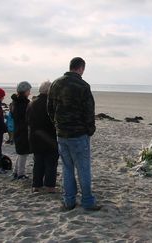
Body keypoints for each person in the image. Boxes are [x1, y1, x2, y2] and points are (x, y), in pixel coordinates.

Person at [48, 57, 101, 211]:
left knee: (67, 168)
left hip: (62, 133)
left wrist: (57, 125)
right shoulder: (82, 86)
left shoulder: (56, 84)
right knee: (83, 168)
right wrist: (90, 129)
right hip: (78, 134)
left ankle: (69, 200)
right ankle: (87, 201)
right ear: (81, 68)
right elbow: (89, 111)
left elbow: (50, 109)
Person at [27, 81, 59, 193]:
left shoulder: (32, 103)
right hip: (49, 137)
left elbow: (28, 120)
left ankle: (37, 185)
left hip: (35, 137)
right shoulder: (51, 103)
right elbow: (55, 120)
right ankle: (50, 186)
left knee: (38, 162)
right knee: (51, 163)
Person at [10, 81, 32, 180]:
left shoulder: (15, 102)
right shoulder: (24, 103)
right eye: (28, 91)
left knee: (21, 152)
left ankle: (16, 171)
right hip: (23, 130)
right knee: (23, 152)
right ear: (24, 91)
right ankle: (20, 173)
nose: (30, 93)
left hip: (18, 129)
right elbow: (27, 117)